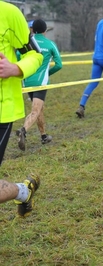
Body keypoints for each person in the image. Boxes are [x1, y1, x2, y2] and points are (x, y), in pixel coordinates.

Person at [0, 1, 43, 217]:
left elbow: (35, 54)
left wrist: (15, 68)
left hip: (1, 111)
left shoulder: (9, 13)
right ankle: (22, 191)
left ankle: (22, 190)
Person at [16, 19, 63, 151]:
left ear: (32, 29)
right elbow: (59, 64)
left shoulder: (26, 43)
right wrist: (47, 73)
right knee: (36, 110)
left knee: (39, 108)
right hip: (41, 82)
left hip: (27, 81)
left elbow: (18, 58)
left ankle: (43, 136)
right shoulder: (50, 44)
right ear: (45, 30)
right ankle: (23, 130)